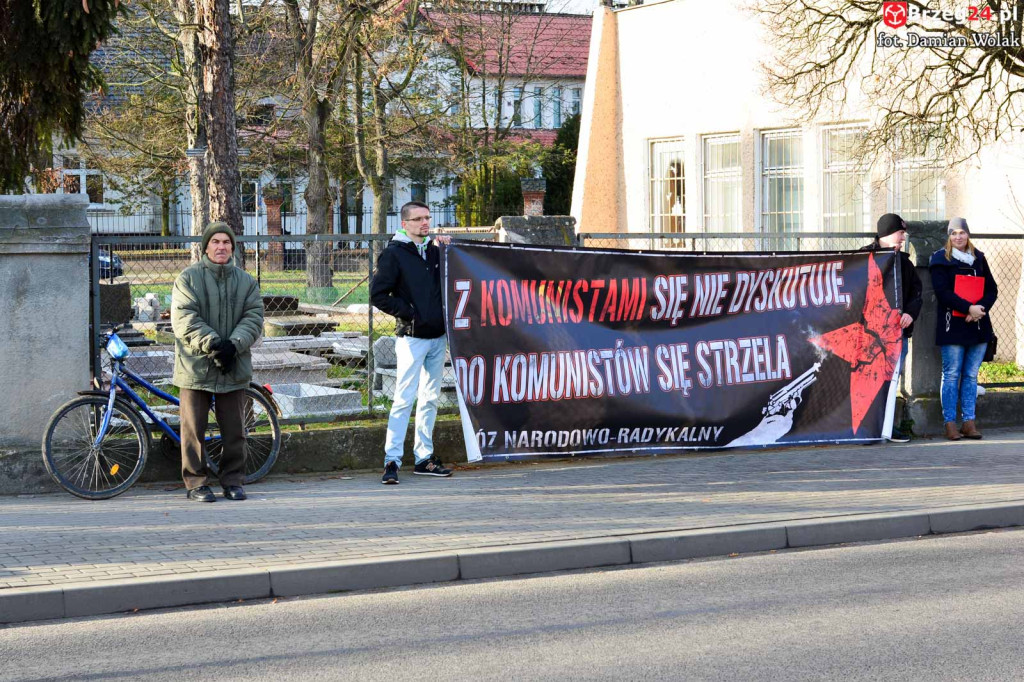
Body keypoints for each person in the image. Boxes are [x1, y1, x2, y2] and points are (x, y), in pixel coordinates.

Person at [171, 222, 264, 502]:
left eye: (226, 242)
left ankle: (233, 480)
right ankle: (196, 483)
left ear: (232, 248)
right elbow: (184, 318)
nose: (221, 246)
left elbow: (253, 317)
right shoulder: (187, 279)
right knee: (193, 430)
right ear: (206, 247)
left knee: (235, 430)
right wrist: (213, 343)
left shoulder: (246, 282)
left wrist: (232, 346)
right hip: (196, 366)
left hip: (233, 363)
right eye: (216, 242)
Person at [370, 201, 453, 485]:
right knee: (403, 400)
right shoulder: (394, 254)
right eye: (418, 219)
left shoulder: (435, 251)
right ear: (404, 223)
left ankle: (424, 458)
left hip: (437, 337)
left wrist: (447, 248)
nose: (424, 223)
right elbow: (378, 294)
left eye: (427, 218)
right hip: (412, 338)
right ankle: (391, 461)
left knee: (430, 399)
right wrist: (409, 312)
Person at [929, 217, 998, 441]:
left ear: (968, 234)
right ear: (948, 236)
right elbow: (943, 292)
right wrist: (967, 307)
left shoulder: (979, 258)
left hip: (978, 324)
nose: (958, 237)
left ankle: (969, 422)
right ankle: (950, 423)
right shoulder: (940, 259)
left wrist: (979, 310)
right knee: (951, 375)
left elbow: (992, 289)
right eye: (953, 233)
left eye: (962, 232)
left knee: (970, 375)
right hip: (953, 325)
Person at [861, 213, 923, 442]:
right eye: (900, 233)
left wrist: (910, 314)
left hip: (898, 335)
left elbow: (917, 294)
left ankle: (888, 426)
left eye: (904, 233)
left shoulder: (905, 263)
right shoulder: (863, 258)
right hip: (869, 337)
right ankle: (867, 426)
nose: (903, 237)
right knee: (868, 378)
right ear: (887, 233)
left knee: (891, 380)